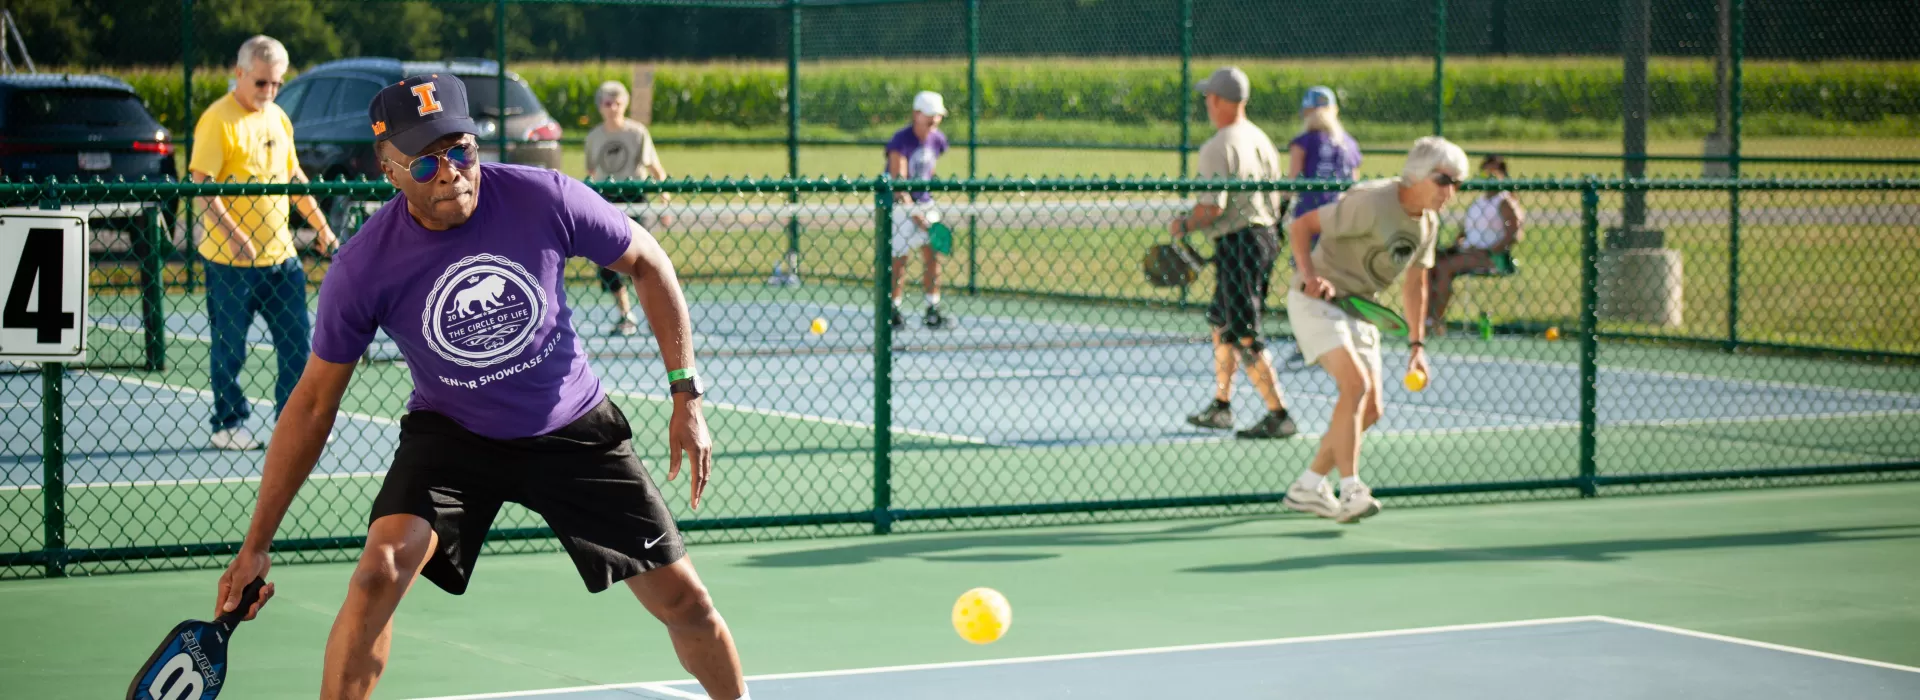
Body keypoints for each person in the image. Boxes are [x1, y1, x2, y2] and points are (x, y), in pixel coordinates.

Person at [212, 75, 749, 700]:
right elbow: (311, 404)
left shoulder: (543, 197)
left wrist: (687, 396)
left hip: (570, 422)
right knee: (378, 575)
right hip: (454, 435)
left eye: (461, 150)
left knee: (686, 602)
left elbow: (649, 261)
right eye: (426, 162)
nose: (450, 173)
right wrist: (256, 546)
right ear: (388, 169)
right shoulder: (363, 267)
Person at [1281, 136, 1468, 523]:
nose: (1451, 191)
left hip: (1359, 308)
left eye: (1458, 183)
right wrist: (1311, 276)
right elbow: (1301, 226)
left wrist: (1417, 344)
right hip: (1316, 302)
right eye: (1445, 180)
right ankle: (1351, 489)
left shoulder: (1429, 224)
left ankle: (1309, 485)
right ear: (1419, 175)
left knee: (1371, 409)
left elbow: (1415, 284)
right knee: (1355, 386)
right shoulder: (1370, 203)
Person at [189, 35, 338, 450]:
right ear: (239, 74)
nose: (269, 92)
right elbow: (202, 185)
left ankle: (292, 426)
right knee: (230, 348)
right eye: (261, 83)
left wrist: (321, 227)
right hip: (229, 262)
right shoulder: (217, 120)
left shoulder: (278, 118)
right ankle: (228, 424)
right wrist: (234, 236)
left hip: (282, 259)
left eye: (276, 84)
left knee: (297, 348)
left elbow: (294, 179)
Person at [1174, 67, 1298, 440]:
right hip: (1264, 237)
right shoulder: (1261, 139)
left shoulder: (1218, 145)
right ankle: (1222, 404)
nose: (1207, 105)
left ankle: (1279, 413)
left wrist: (1182, 225)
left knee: (1244, 329)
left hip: (1239, 242)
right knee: (1221, 321)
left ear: (1216, 100)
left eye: (1208, 98)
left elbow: (1212, 206)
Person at [585, 79, 672, 337]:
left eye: (617, 103)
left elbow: (656, 169)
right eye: (607, 103)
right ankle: (626, 314)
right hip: (605, 199)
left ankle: (652, 315)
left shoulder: (637, 133)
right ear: (600, 107)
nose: (613, 108)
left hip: (633, 198)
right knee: (606, 261)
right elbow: (590, 173)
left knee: (640, 260)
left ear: (625, 105)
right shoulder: (594, 137)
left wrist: (664, 200)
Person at [1426, 154, 1525, 334]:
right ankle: (1426, 317)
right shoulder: (1479, 201)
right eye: (1485, 171)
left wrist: (1489, 251)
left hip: (1491, 258)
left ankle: (1435, 320)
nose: (1488, 175)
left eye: (1493, 171)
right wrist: (1454, 246)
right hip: (1468, 253)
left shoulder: (1505, 201)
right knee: (1430, 264)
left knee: (1444, 268)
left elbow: (1515, 234)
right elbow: (1465, 231)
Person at [885, 90, 952, 330]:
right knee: (899, 260)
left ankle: (932, 308)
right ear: (916, 115)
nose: (934, 121)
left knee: (933, 255)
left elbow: (928, 170)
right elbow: (898, 184)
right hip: (899, 208)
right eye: (929, 116)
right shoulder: (900, 141)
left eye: (937, 116)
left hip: (925, 203)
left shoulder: (938, 140)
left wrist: (926, 204)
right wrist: (915, 215)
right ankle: (893, 310)